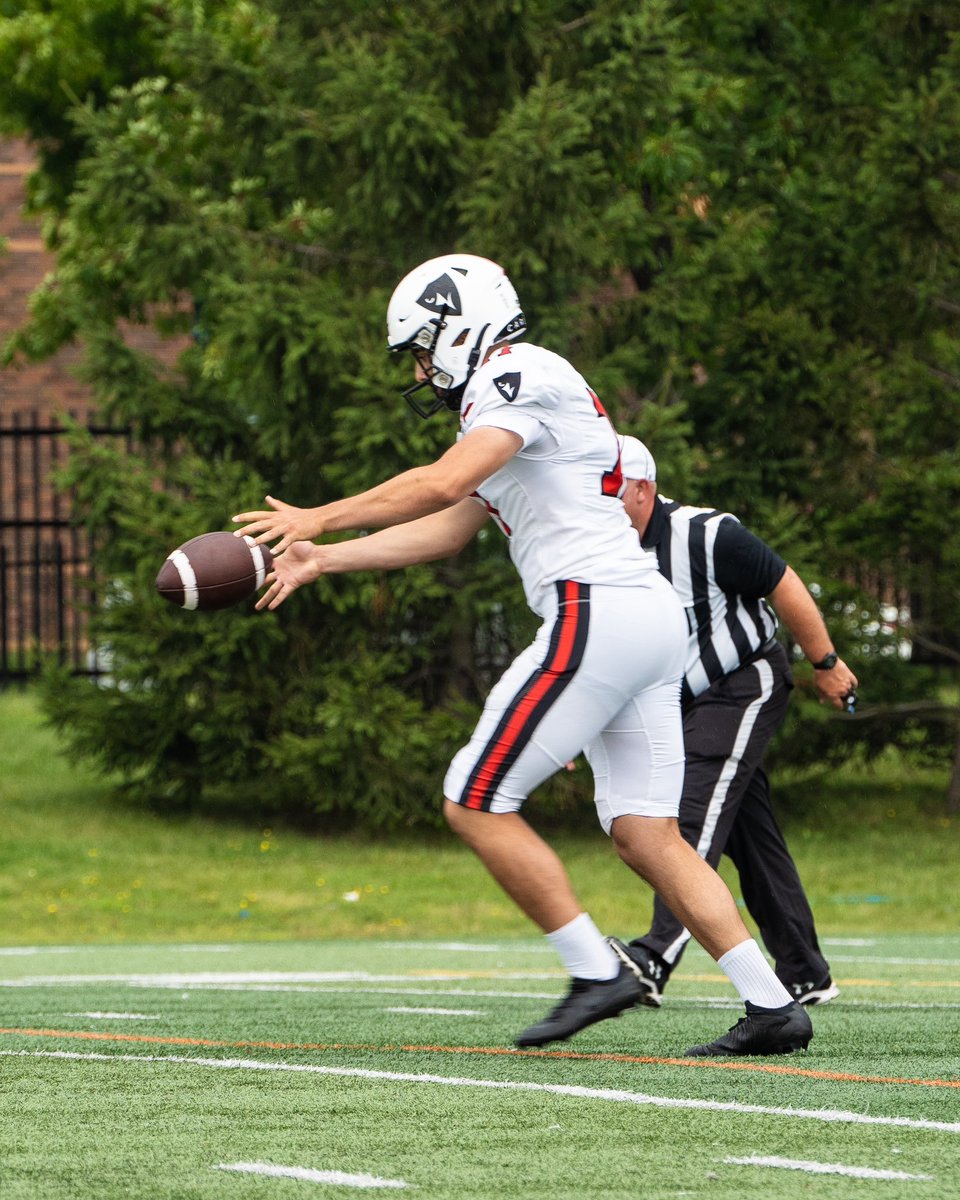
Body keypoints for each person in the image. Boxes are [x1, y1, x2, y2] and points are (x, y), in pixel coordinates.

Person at [233, 253, 813, 1057]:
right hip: (641, 618)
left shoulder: (520, 371)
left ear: (463, 322)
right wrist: (323, 559)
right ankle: (773, 1004)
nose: (423, 368)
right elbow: (450, 523)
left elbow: (441, 485)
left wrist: (317, 517)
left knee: (472, 798)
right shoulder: (508, 402)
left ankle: (594, 971)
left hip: (597, 610)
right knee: (648, 833)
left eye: (425, 347)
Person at [607, 436, 858, 1014]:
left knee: (690, 804)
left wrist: (824, 662)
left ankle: (654, 955)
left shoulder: (708, 533)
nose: (600, 508)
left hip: (743, 682)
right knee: (750, 832)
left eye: (611, 495)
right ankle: (804, 971)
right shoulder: (605, 553)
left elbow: (784, 583)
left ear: (643, 490)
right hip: (683, 701)